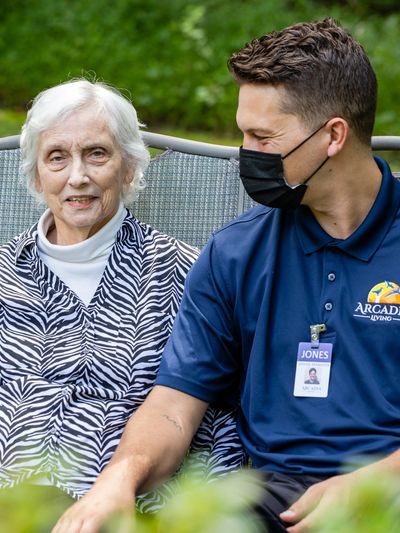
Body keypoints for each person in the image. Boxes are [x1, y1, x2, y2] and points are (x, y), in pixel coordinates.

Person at [53, 18, 400, 533]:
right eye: (243, 133)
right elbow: (175, 403)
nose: (246, 153)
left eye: (262, 137)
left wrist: (377, 485)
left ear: (333, 136)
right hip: (276, 498)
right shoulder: (236, 252)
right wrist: (118, 479)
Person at [0, 79, 245, 514]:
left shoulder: (190, 274)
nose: (78, 176)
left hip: (132, 509)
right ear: (37, 175)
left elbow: (217, 418)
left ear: (129, 167)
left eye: (97, 154)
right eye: (57, 157)